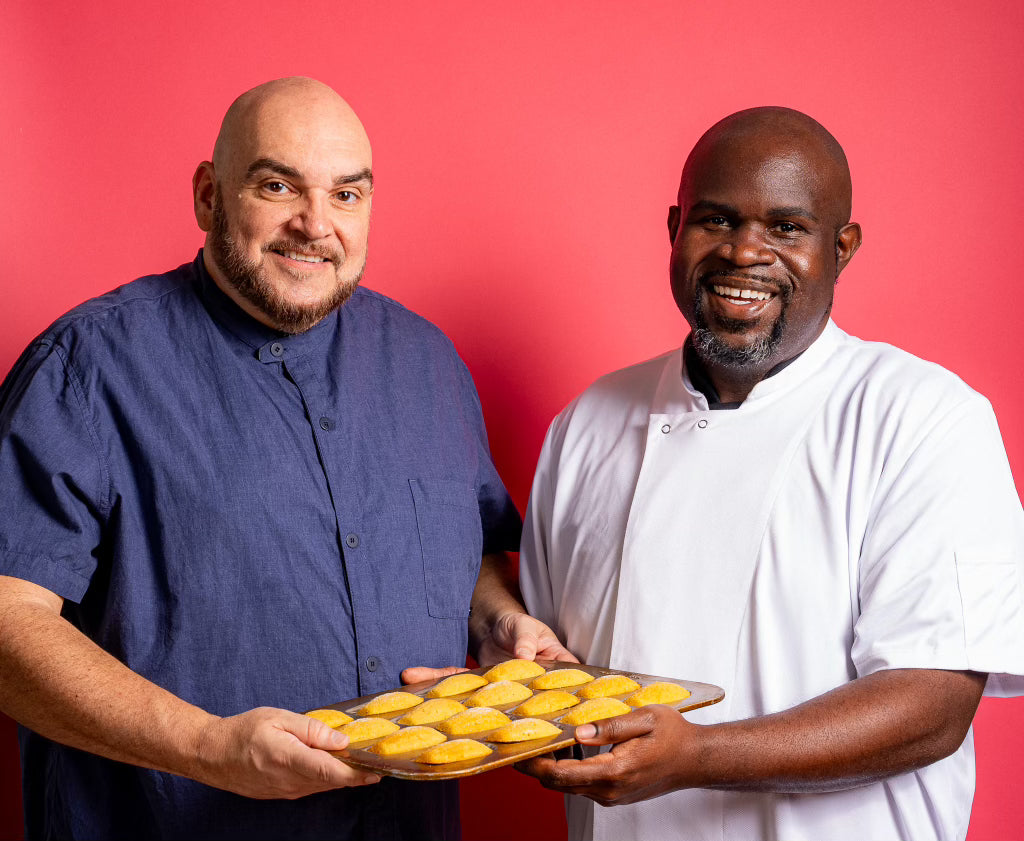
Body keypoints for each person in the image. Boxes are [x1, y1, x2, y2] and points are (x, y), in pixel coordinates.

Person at [0, 76, 569, 840]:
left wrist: (499, 620)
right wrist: (209, 747)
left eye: (347, 195)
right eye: (278, 185)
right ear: (209, 196)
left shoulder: (429, 362)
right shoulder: (86, 366)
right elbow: (8, 621)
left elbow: (461, 555)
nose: (315, 225)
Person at [512, 107, 1024, 840]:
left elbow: (932, 706)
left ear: (842, 248)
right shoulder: (587, 424)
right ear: (673, 229)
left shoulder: (924, 419)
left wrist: (697, 755)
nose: (744, 252)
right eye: (716, 219)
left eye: (786, 228)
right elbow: (546, 654)